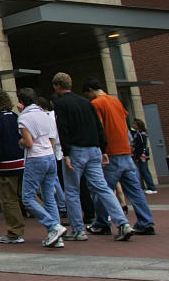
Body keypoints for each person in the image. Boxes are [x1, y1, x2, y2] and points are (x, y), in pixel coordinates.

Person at [51, 73, 132, 242]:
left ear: (57, 86)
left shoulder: (60, 104)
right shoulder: (86, 102)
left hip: (76, 150)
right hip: (94, 149)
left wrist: (66, 153)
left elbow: (63, 129)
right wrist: (103, 148)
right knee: (102, 187)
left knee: (72, 191)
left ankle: (78, 230)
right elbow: (98, 126)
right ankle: (123, 223)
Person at [83, 82, 155, 235]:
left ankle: (102, 222)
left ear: (90, 90)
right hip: (125, 151)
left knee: (102, 190)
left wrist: (101, 150)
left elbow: (100, 127)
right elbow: (123, 123)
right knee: (135, 191)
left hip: (111, 153)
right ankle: (146, 221)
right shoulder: (116, 101)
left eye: (87, 94)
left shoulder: (96, 104)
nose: (88, 97)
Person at [17, 89, 66, 248]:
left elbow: (28, 142)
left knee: (27, 198)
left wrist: (21, 142)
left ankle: (53, 226)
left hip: (35, 158)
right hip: (50, 156)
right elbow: (52, 139)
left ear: (21, 102)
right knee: (49, 197)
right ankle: (57, 237)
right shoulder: (45, 115)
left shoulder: (23, 118)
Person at [0, 88, 27, 243]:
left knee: (9, 199)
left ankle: (14, 232)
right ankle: (51, 221)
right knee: (27, 197)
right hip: (21, 162)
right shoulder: (15, 117)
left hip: (6, 166)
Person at [131, 118, 158, 193]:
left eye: (134, 124)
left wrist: (138, 155)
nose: (133, 125)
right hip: (141, 154)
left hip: (142, 155)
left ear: (138, 125)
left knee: (144, 170)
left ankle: (151, 188)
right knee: (144, 170)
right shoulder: (137, 133)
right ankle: (150, 187)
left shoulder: (141, 134)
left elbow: (142, 145)